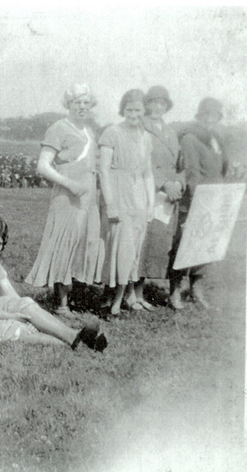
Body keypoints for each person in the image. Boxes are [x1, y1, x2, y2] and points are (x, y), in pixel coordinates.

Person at [0, 216, 106, 351]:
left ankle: (74, 335)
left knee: (26, 304)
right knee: (13, 327)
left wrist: (25, 313)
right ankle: (78, 344)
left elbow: (13, 297)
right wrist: (11, 316)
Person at [25, 84, 104, 314]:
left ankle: (79, 295)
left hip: (89, 196)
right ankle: (61, 303)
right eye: (77, 102)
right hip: (67, 195)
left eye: (86, 102)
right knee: (65, 243)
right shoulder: (58, 128)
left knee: (86, 243)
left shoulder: (89, 131)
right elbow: (42, 166)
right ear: (68, 104)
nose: (82, 106)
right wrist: (70, 184)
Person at [98, 89, 155, 315]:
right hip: (118, 193)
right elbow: (103, 170)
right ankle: (113, 299)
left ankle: (123, 298)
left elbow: (148, 173)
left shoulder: (146, 137)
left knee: (134, 250)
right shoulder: (112, 132)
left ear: (144, 111)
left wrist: (150, 204)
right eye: (129, 109)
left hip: (139, 196)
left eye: (138, 109)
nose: (133, 114)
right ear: (123, 109)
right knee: (120, 248)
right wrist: (110, 203)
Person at [169, 97, 228, 309]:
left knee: (205, 247)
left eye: (214, 115)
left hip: (214, 199)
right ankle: (174, 291)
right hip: (195, 201)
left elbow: (221, 169)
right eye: (207, 115)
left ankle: (196, 290)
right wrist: (197, 202)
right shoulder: (190, 138)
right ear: (200, 116)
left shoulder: (216, 139)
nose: (210, 119)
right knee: (185, 245)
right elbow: (192, 172)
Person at [139, 86, 185, 308]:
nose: (157, 107)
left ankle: (143, 289)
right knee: (143, 240)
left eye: (162, 103)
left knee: (160, 242)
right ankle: (133, 292)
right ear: (146, 105)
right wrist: (163, 183)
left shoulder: (171, 132)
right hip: (148, 191)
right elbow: (141, 161)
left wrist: (178, 183)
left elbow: (180, 165)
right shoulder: (140, 127)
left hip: (168, 198)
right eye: (153, 102)